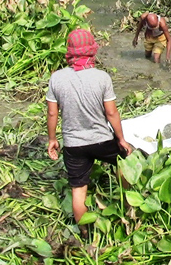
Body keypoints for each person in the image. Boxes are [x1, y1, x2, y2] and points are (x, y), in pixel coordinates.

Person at [47, 29, 133, 227]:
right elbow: (111, 113)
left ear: (69, 51)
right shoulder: (102, 77)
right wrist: (121, 140)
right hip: (102, 141)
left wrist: (52, 139)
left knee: (78, 190)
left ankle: (85, 234)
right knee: (123, 162)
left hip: (73, 144)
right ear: (92, 50)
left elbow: (52, 114)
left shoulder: (57, 78)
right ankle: (127, 205)